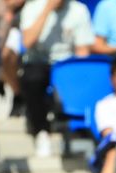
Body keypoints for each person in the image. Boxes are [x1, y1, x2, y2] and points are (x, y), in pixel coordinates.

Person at [18, 0, 94, 157]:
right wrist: (47, 10)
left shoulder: (79, 10)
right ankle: (41, 131)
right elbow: (27, 41)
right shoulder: (32, 8)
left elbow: (82, 50)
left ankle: (78, 129)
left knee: (85, 76)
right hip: (38, 61)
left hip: (66, 64)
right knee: (32, 78)